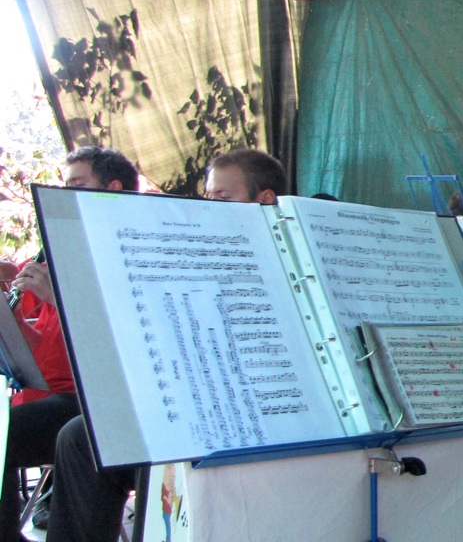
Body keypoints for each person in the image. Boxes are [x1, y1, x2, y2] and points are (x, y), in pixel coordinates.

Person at [45, 148, 291, 542]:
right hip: (194, 400)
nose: (210, 206)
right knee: (80, 437)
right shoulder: (196, 249)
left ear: (264, 199)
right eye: (208, 196)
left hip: (254, 413)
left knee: (163, 446)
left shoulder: (284, 258)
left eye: (223, 197)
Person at [0, 147, 138, 542]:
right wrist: (9, 320)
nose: (62, 196)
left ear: (113, 188)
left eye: (76, 185)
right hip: (56, 392)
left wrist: (60, 299)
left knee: (19, 433)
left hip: (94, 396)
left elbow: (115, 346)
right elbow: (46, 353)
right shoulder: (66, 246)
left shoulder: (126, 248)